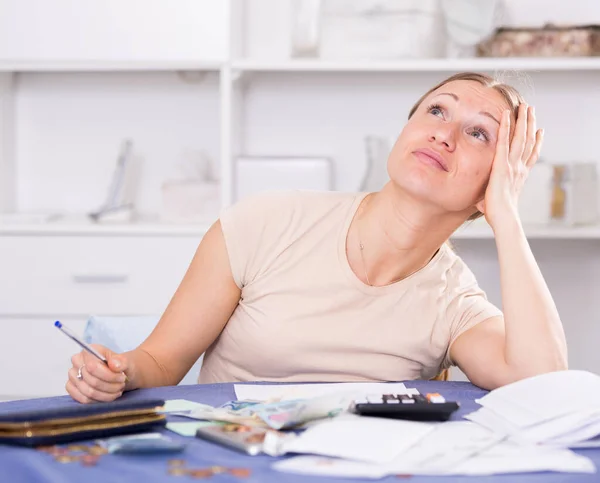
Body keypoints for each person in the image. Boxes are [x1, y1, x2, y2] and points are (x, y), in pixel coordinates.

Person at [66, 72, 568, 404]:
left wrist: (506, 215)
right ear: (405, 131)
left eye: (479, 133)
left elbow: (541, 383)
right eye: (437, 111)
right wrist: (122, 371)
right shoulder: (265, 223)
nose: (445, 133)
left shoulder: (454, 300)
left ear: (495, 181)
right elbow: (159, 361)